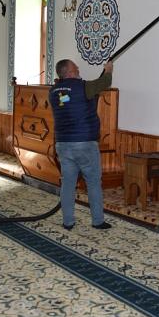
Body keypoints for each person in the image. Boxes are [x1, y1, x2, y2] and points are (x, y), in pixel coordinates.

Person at [49, 58, 114, 230]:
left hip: (63, 144)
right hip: (84, 143)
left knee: (68, 183)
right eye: (75, 68)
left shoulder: (53, 91)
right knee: (93, 182)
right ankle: (98, 221)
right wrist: (108, 69)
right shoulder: (84, 87)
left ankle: (68, 222)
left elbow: (69, 100)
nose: (78, 69)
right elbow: (104, 82)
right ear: (70, 72)